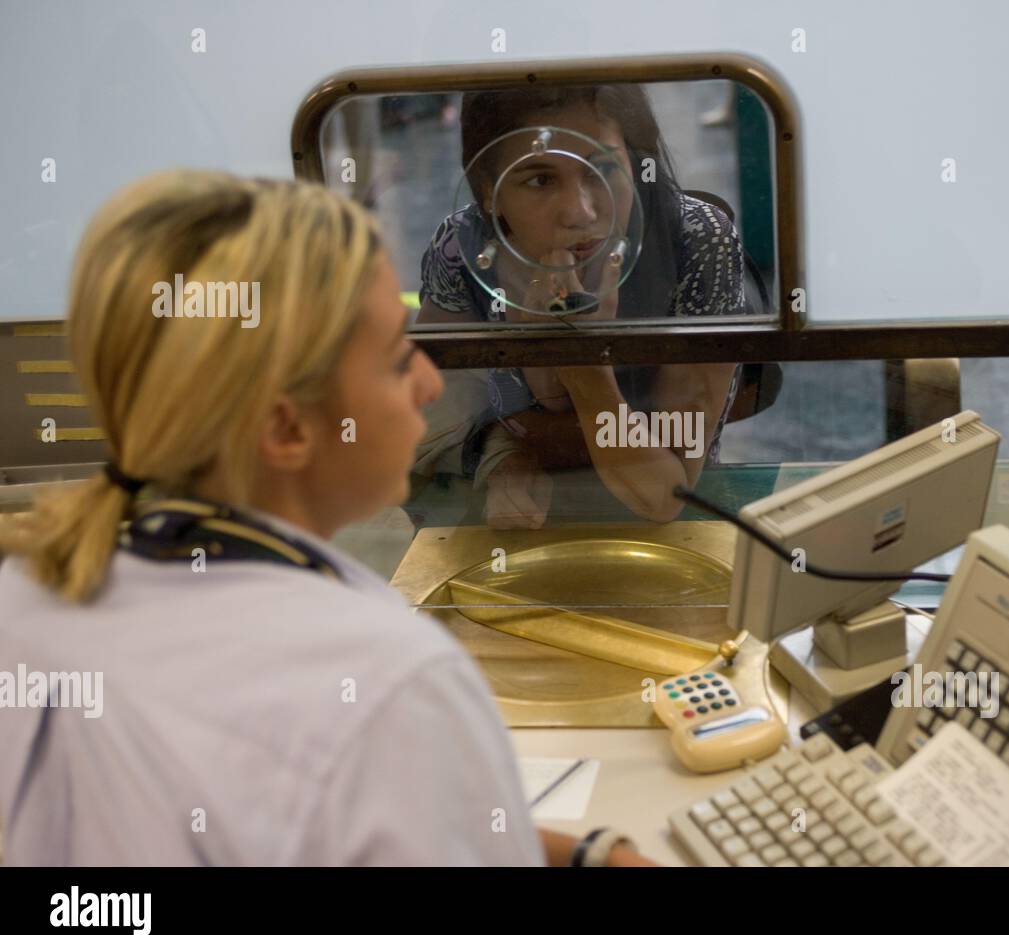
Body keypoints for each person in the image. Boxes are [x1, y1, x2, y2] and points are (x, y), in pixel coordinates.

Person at [0, 170, 653, 867]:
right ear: (287, 430)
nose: (430, 383)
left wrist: (585, 854)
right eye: (398, 360)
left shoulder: (26, 602)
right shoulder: (390, 682)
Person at [416, 85, 745, 528]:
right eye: (540, 179)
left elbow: (666, 494)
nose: (580, 211)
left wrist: (581, 362)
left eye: (602, 169)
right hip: (517, 527)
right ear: (489, 191)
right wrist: (503, 455)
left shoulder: (695, 240)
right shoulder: (461, 249)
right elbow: (429, 430)